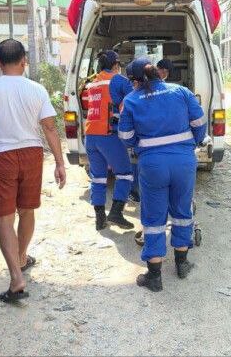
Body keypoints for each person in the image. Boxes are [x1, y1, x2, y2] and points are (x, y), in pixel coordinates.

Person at [0, 39, 67, 303]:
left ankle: (16, 277)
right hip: (32, 155)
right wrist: (59, 163)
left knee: (4, 218)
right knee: (27, 211)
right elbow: (49, 127)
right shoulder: (37, 89)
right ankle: (22, 256)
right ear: (24, 61)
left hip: (0, 157)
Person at [118, 57, 207, 292]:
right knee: (182, 211)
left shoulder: (131, 100)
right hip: (184, 162)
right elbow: (199, 123)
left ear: (135, 81)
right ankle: (182, 263)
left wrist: (140, 144)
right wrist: (191, 144)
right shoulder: (181, 91)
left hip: (152, 164)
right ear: (157, 73)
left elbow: (125, 137)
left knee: (154, 217)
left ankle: (154, 276)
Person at [83, 50, 135, 230]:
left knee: (98, 177)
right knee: (125, 174)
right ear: (115, 65)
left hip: (90, 136)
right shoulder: (118, 80)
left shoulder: (91, 83)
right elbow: (134, 100)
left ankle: (100, 218)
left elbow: (86, 103)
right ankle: (116, 213)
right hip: (109, 135)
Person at [107, 50, 140, 202]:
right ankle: (133, 191)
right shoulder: (122, 81)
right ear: (116, 65)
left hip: (103, 130)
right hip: (121, 126)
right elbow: (132, 100)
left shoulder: (94, 82)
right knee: (131, 160)